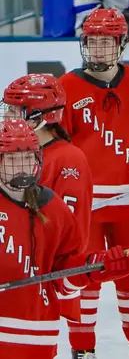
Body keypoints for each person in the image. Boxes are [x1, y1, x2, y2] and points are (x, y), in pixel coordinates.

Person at [58, 9, 129, 359]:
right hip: (84, 205)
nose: (97, 50)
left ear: (121, 43)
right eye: (92, 42)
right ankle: (83, 350)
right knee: (86, 278)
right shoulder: (67, 86)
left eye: (105, 42)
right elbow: (59, 147)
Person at [0, 119, 129, 359]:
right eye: (12, 159)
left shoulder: (53, 208)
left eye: (29, 156)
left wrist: (97, 267)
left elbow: (62, 278)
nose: (21, 166)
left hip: (38, 339)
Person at [2, 74, 94, 325]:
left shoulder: (68, 160)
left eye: (14, 109)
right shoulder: (9, 151)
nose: (7, 115)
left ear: (38, 117)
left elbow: (71, 237)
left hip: (40, 286)